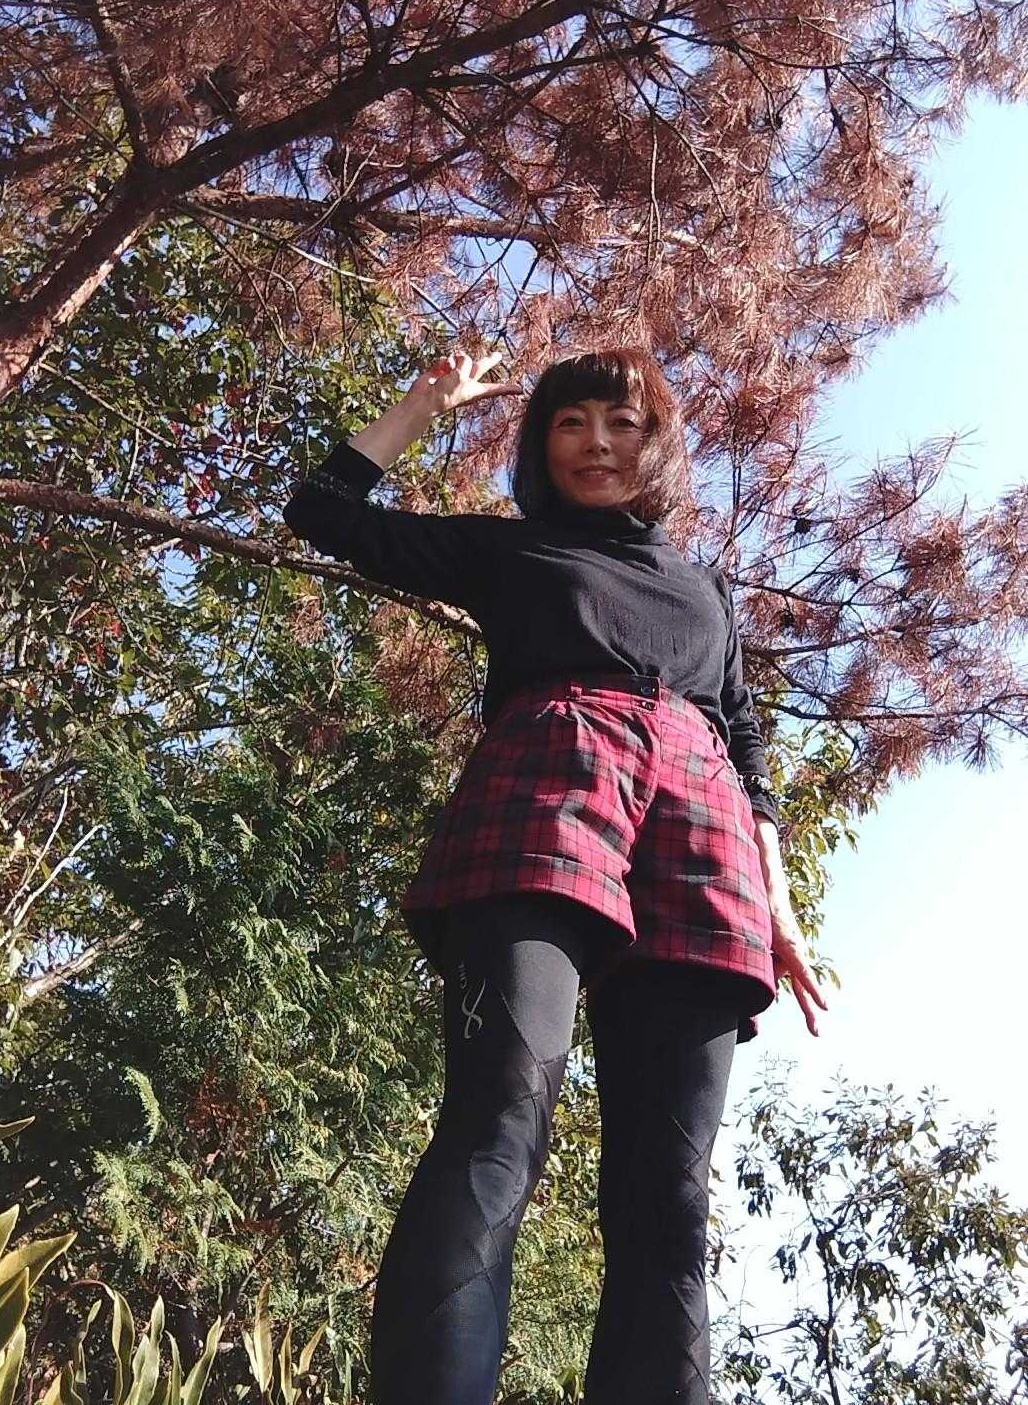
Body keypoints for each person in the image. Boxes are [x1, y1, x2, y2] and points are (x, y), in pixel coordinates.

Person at [282, 346, 827, 1405]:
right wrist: (422, 407)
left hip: (704, 830)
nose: (595, 443)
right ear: (541, 446)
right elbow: (324, 512)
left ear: (657, 446)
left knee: (669, 1197)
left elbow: (747, 745)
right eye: (570, 423)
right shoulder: (512, 550)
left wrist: (781, 901)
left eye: (621, 423)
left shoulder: (708, 590)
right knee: (501, 1118)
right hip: (550, 784)